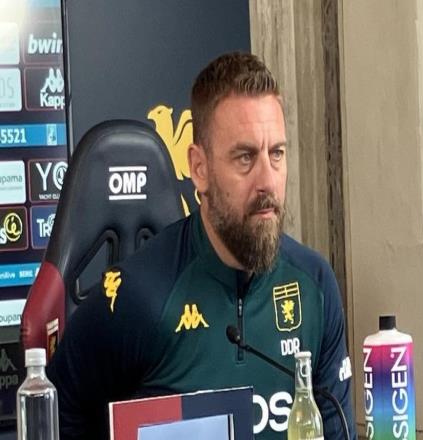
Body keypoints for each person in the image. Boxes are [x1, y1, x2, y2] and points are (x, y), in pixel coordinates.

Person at [48, 52, 357, 440]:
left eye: (276, 154)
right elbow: (54, 412)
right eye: (245, 157)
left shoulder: (314, 285)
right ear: (199, 168)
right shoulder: (139, 297)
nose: (267, 180)